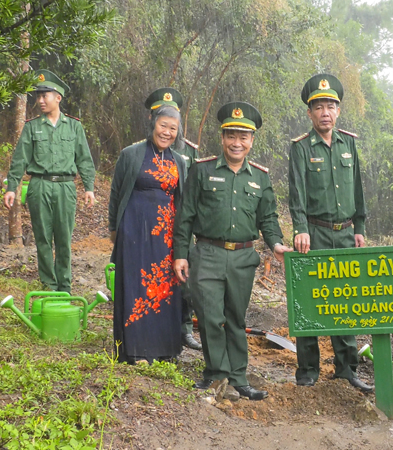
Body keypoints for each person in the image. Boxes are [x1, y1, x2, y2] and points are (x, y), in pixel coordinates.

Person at [173, 102, 292, 400]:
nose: (236, 142)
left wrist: (276, 243)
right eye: (231, 135)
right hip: (208, 255)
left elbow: (268, 218)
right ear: (222, 137)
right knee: (211, 317)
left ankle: (239, 378)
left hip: (242, 257)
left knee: (236, 318)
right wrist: (180, 254)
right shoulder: (202, 171)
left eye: (243, 137)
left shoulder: (261, 178)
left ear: (252, 141)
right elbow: (185, 215)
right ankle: (215, 374)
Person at [287, 74, 372, 392]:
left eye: (331, 106)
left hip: (345, 234)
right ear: (310, 113)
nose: (325, 112)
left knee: (345, 299)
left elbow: (359, 189)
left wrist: (360, 227)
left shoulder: (348, 143)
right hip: (316, 233)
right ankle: (307, 368)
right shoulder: (299, 147)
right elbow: (296, 192)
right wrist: (300, 229)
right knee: (309, 299)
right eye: (319, 106)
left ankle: (346, 367)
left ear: (338, 111)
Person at [108, 91, 187, 364]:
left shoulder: (180, 162)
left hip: (166, 237)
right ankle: (133, 351)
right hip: (133, 232)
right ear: (152, 124)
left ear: (178, 132)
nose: (166, 132)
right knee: (134, 287)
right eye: (162, 126)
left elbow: (184, 202)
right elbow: (116, 193)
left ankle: (164, 351)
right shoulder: (131, 154)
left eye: (172, 129)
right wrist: (113, 230)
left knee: (165, 290)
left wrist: (183, 240)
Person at [4, 69, 96, 293]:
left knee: (64, 238)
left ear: (58, 98)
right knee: (43, 237)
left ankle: (64, 285)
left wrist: (89, 188)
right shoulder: (32, 126)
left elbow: (84, 159)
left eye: (45, 95)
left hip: (65, 187)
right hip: (39, 185)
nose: (40, 100)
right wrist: (12, 187)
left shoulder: (74, 126)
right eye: (39, 96)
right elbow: (20, 159)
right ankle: (49, 284)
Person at [144, 88, 203, 351]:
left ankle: (185, 328)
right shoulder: (141, 152)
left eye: (173, 121)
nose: (168, 129)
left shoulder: (188, 153)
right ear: (153, 119)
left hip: (180, 225)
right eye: (161, 120)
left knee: (182, 277)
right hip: (151, 224)